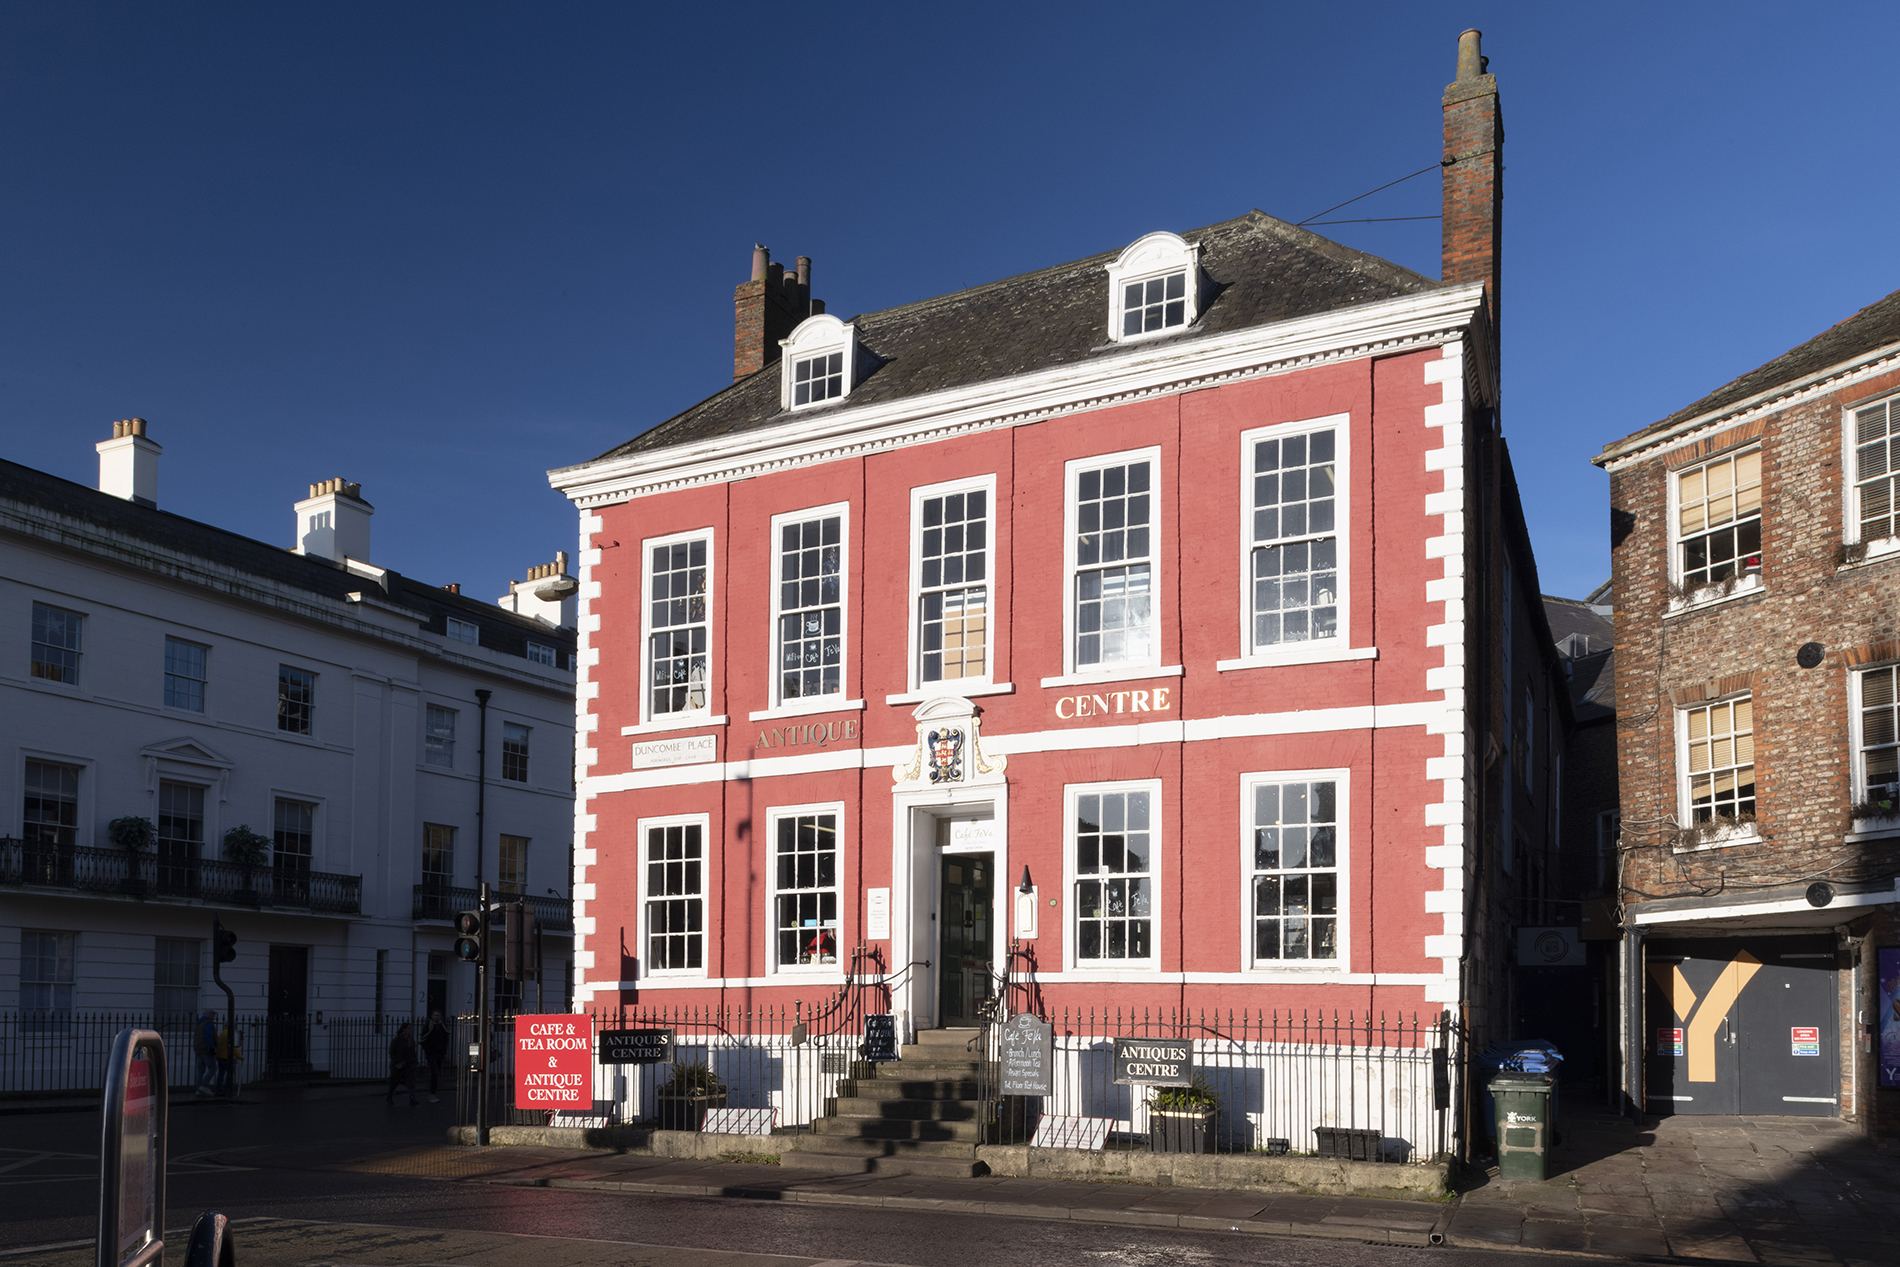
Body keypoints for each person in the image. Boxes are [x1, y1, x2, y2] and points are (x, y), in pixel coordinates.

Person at [418, 1011, 451, 1103]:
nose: (436, 1017)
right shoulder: (428, 1025)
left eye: (438, 1015)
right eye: (435, 1015)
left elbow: (445, 1039)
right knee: (435, 1072)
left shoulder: (443, 1026)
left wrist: (443, 1051)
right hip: (431, 1053)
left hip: (439, 1053)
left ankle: (433, 1093)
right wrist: (428, 1051)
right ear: (432, 1016)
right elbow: (424, 1038)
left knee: (436, 1073)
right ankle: (432, 1093)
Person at [385, 1022, 419, 1106]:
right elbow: (392, 1052)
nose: (410, 1030)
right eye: (409, 1028)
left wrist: (415, 1061)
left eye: (411, 1028)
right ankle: (389, 1096)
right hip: (399, 1064)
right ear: (403, 1029)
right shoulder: (396, 1040)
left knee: (411, 1082)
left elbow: (412, 1052)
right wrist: (396, 1063)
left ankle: (412, 1097)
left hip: (409, 1064)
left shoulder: (411, 1040)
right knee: (394, 1082)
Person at [193, 1008, 218, 1097]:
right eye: (213, 1014)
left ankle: (199, 1089)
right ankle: (204, 1086)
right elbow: (208, 1035)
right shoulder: (208, 1024)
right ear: (209, 1015)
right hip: (206, 1049)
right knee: (213, 1068)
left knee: (200, 1070)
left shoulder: (198, 1024)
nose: (214, 1016)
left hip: (198, 1049)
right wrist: (212, 1047)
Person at [215, 1021, 242, 1097]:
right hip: (226, 1057)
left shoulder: (222, 1033)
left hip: (220, 1056)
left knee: (221, 1074)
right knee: (230, 1072)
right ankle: (225, 1090)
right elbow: (234, 1047)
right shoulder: (230, 1034)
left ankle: (218, 1090)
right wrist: (240, 1056)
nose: (236, 1027)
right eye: (235, 1025)